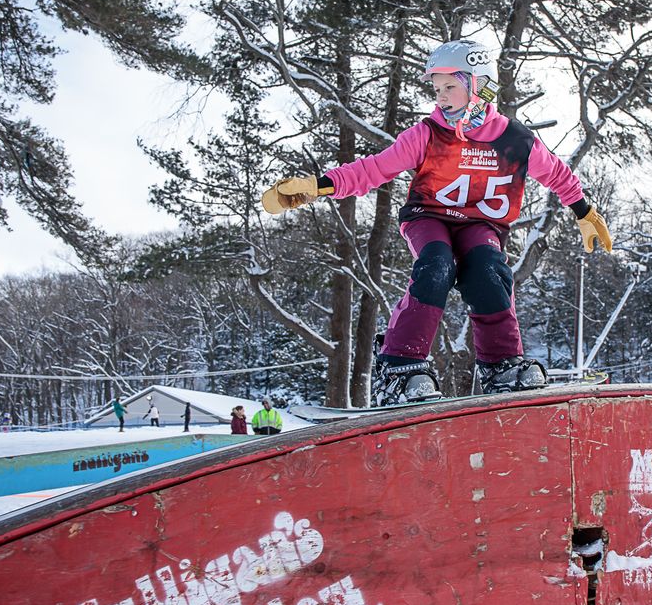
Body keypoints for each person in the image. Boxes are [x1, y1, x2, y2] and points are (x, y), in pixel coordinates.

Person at [261, 39, 612, 405]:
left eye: (450, 87)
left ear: (479, 86)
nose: (440, 96)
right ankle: (401, 364)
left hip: (481, 225)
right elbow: (374, 169)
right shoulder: (427, 134)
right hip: (429, 218)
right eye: (436, 88)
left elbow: (557, 174)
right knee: (437, 265)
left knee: (489, 270)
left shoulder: (515, 140)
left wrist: (584, 212)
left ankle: (502, 365)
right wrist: (319, 186)